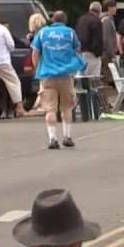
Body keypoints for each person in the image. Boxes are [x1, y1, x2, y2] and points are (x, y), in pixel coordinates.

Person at [31, 10, 85, 149]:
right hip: (66, 75)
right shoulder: (70, 33)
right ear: (65, 20)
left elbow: (35, 52)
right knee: (67, 107)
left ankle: (52, 138)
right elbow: (78, 50)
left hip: (47, 75)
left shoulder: (42, 33)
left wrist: (38, 68)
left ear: (52, 20)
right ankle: (67, 136)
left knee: (50, 109)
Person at [74, 1, 105, 81]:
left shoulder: (81, 19)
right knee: (93, 77)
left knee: (80, 75)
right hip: (91, 53)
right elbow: (98, 39)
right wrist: (98, 53)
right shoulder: (96, 21)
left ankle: (79, 89)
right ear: (99, 11)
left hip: (80, 51)